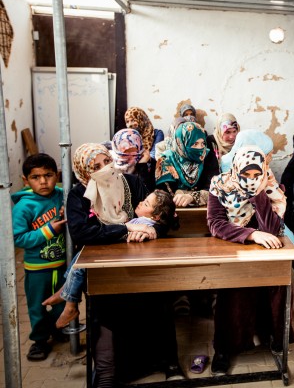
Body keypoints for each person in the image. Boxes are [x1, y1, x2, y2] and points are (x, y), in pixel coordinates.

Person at [66, 143, 183, 384]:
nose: (104, 169)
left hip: (141, 260)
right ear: (83, 171)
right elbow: (81, 233)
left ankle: (168, 362)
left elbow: (158, 217)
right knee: (106, 313)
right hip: (104, 267)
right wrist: (124, 229)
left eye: (106, 162)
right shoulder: (79, 194)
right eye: (95, 167)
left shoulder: (131, 183)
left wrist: (150, 233)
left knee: (159, 301)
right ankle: (109, 373)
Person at [207, 146, 292, 375]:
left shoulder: (272, 187)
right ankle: (224, 348)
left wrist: (259, 194)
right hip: (233, 245)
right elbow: (215, 223)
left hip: (266, 249)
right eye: (246, 175)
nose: (252, 180)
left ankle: (273, 339)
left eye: (257, 174)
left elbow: (272, 228)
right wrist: (251, 234)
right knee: (234, 289)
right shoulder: (220, 185)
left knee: (277, 282)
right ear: (237, 169)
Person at [43, 190, 176, 328]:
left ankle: (70, 304)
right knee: (79, 257)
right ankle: (66, 289)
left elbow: (146, 232)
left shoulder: (146, 224)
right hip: (115, 250)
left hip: (121, 258)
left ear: (156, 216)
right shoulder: (142, 220)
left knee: (80, 266)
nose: (141, 203)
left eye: (146, 204)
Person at [222, 129, 294, 308]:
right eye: (268, 153)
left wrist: (276, 196)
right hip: (240, 223)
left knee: (290, 242)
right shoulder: (225, 166)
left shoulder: (264, 169)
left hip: (269, 218)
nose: (271, 156)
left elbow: (275, 196)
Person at [12, 153, 67, 361]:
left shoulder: (61, 195)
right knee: (37, 306)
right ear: (26, 180)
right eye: (36, 177)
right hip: (37, 270)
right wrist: (49, 230)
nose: (43, 181)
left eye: (49, 175)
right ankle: (40, 340)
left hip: (62, 265)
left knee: (64, 302)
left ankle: (59, 329)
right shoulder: (23, 207)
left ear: (57, 176)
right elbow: (19, 238)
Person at [156, 121, 219, 207]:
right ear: (181, 143)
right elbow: (165, 195)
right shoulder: (166, 160)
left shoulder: (208, 157)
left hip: (204, 211)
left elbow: (214, 188)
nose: (200, 148)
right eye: (195, 144)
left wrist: (192, 197)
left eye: (203, 143)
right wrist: (201, 195)